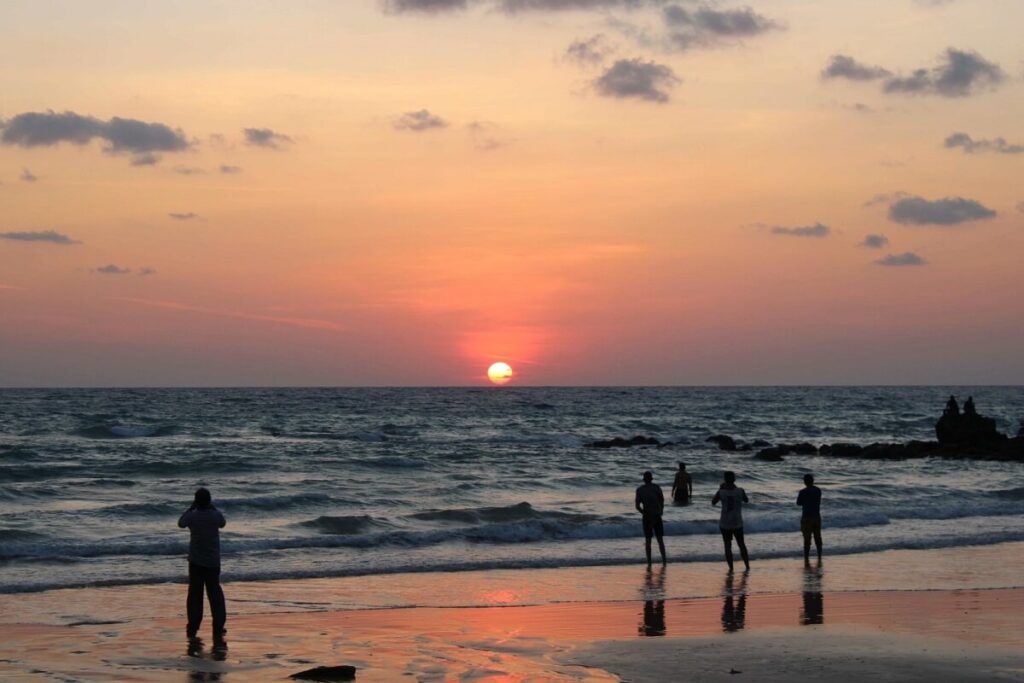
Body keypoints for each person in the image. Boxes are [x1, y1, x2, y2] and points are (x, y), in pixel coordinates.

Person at [178, 487, 227, 648]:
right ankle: (218, 626)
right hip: (213, 561)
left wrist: (190, 507)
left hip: (196, 561)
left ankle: (193, 626)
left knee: (195, 595)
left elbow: (181, 523)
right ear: (209, 501)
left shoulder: (192, 516)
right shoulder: (214, 515)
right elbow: (223, 523)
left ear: (196, 501)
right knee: (215, 594)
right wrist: (214, 507)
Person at [712, 471, 749, 571]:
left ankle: (731, 568)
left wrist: (720, 489)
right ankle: (747, 566)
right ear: (734, 479)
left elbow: (713, 502)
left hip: (725, 523)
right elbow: (746, 500)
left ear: (725, 480)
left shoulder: (721, 492)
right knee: (741, 544)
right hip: (737, 522)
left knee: (727, 546)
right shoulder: (740, 491)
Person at [635, 471, 667, 566]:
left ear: (644, 480)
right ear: (651, 479)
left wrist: (644, 513)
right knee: (660, 540)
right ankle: (664, 561)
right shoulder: (657, 488)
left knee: (648, 541)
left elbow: (637, 506)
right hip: (657, 515)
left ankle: (649, 563)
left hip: (647, 517)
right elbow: (662, 501)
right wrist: (660, 512)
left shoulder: (640, 490)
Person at [797, 473, 822, 564]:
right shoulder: (818, 490)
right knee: (817, 537)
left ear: (804, 482)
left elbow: (798, 503)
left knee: (807, 540)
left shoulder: (802, 492)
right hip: (816, 517)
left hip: (806, 517)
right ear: (813, 481)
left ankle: (806, 558)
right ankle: (819, 556)